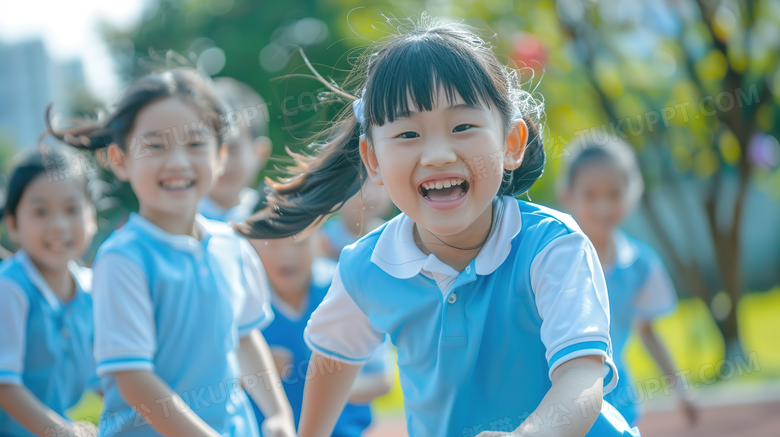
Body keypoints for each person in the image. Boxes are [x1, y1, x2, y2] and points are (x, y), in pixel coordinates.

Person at [236, 16, 639, 437]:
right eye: (407, 134)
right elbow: (334, 356)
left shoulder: (552, 246)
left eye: (463, 126)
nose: (437, 155)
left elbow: (582, 378)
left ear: (511, 144)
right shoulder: (367, 267)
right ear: (372, 160)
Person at [52, 68, 295, 437]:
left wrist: (277, 414)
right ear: (119, 160)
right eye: (155, 146)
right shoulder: (123, 258)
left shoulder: (232, 245)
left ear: (221, 155)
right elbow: (134, 377)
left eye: (196, 144)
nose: (178, 162)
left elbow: (244, 337)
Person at [558, 138, 697, 427]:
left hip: (615, 399)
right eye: (591, 195)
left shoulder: (640, 265)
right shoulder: (552, 260)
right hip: (557, 397)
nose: (603, 205)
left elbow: (647, 332)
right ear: (567, 195)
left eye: (614, 194)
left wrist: (681, 389)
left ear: (632, 193)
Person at [251, 233, 394, 436]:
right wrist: (256, 368)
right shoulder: (242, 298)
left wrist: (328, 385)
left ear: (321, 243)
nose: (286, 253)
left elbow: (381, 379)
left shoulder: (347, 286)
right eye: (272, 243)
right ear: (251, 246)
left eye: (299, 242)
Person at [0, 148, 99, 437]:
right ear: (12, 224)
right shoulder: (10, 289)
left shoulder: (92, 289)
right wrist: (64, 432)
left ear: (91, 217)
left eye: (72, 209)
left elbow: (105, 376)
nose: (58, 225)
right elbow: (4, 385)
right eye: (40, 211)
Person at [198, 77, 271, 223]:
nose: (222, 164)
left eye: (233, 150)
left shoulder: (275, 218)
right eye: (212, 150)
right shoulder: (175, 223)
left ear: (259, 153)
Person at [319, 181, 393, 260]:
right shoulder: (323, 241)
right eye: (356, 186)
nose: (367, 193)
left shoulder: (390, 236)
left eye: (376, 184)